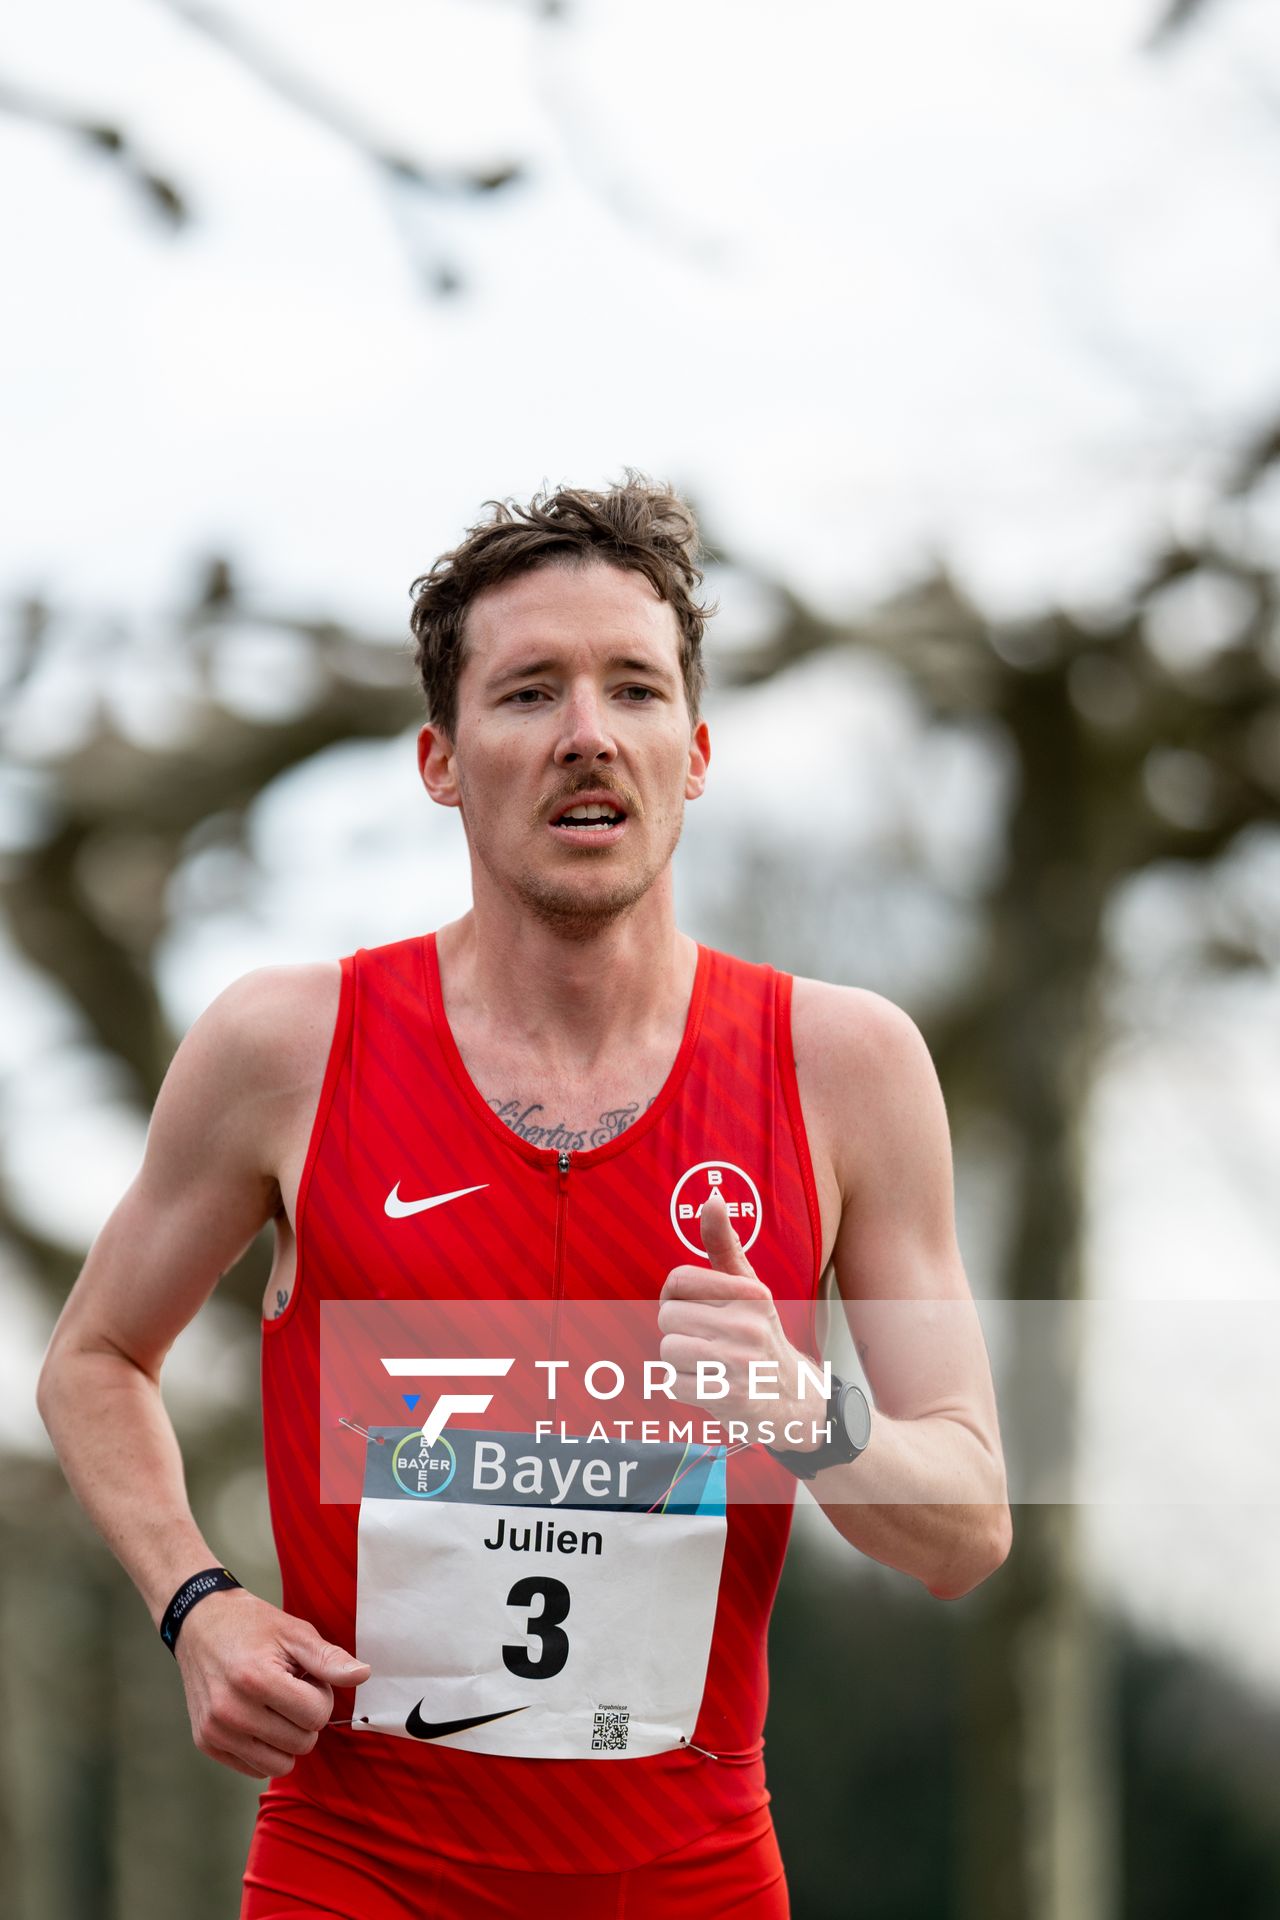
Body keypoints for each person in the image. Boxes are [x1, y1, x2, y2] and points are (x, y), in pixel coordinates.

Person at [37, 474, 1012, 1919]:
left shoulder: (846, 1066)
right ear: (439, 758)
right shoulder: (287, 1049)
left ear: (694, 749)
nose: (585, 736)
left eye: (631, 689)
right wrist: (197, 1604)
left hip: (691, 1879)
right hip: (357, 1872)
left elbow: (969, 1522)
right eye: (528, 694)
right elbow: (92, 1361)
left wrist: (803, 1414)